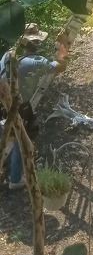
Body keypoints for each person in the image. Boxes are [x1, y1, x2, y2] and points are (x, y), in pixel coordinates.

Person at [0, 23, 68, 191]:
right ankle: (15, 179)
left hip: (2, 103)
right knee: (20, 139)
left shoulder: (7, 56)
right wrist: (62, 49)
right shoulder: (36, 62)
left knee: (6, 135)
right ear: (37, 43)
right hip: (17, 107)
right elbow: (60, 67)